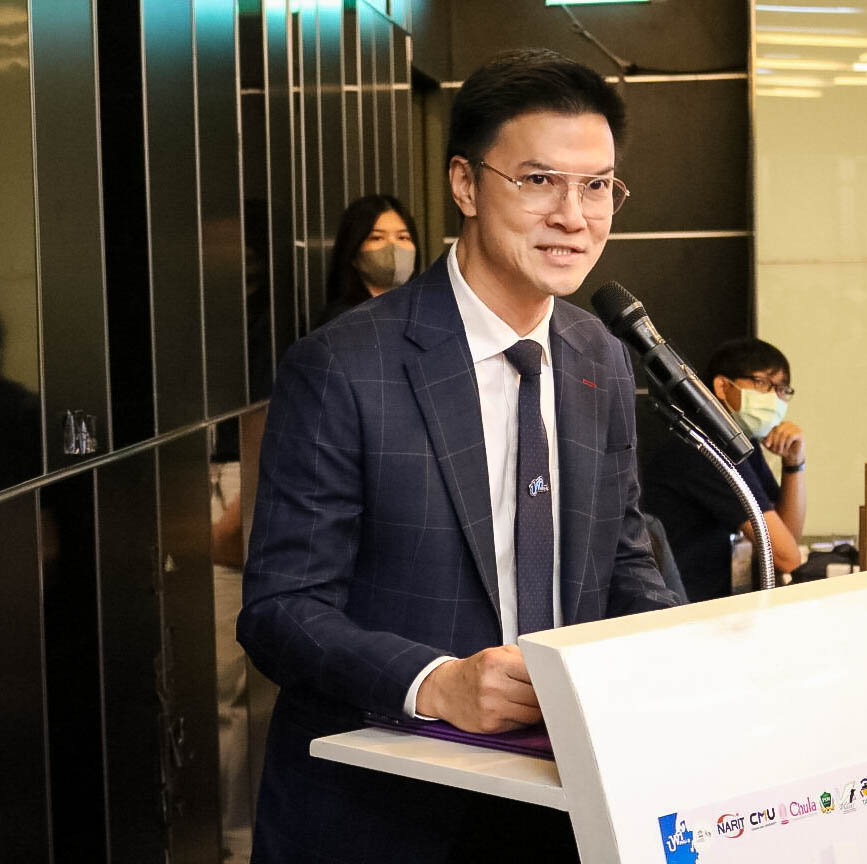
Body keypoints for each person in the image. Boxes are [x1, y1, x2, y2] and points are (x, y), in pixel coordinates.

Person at [237, 47, 678, 864]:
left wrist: (685, 651)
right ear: (466, 185)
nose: (574, 216)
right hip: (386, 815)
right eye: (539, 180)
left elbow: (620, 556)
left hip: (564, 802)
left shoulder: (599, 355)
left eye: (597, 186)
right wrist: (437, 682)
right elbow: (281, 611)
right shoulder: (344, 365)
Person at [642, 338, 807, 601]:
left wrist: (794, 463)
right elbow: (786, 556)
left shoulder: (742, 444)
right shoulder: (705, 445)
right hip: (683, 607)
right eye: (763, 383)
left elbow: (787, 538)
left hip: (720, 601)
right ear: (722, 386)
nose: (774, 398)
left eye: (782, 389)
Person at [314, 194, 420, 326]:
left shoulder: (427, 310)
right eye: (377, 238)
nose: (394, 247)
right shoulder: (340, 321)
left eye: (403, 237)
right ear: (353, 250)